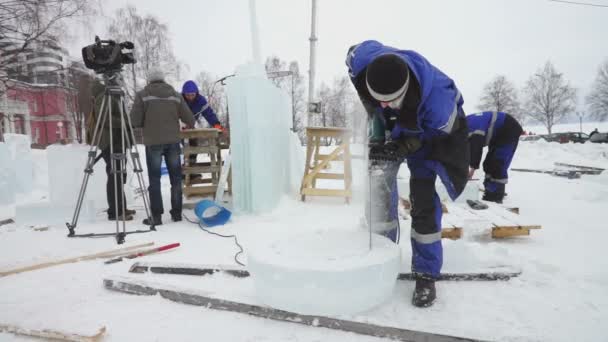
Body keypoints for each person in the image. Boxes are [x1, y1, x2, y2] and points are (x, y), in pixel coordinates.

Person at [346, 40, 469, 307]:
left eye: (392, 101)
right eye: (381, 101)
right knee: (377, 189)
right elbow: (355, 56)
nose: (386, 105)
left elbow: (434, 135)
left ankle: (426, 274)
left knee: (423, 199)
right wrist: (379, 140)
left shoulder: (439, 105)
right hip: (400, 126)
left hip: (431, 138)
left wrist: (401, 147)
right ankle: (378, 256)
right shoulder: (362, 63)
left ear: (405, 91)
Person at [130, 68, 195, 226]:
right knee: (175, 179)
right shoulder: (175, 95)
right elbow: (190, 119)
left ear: (150, 80)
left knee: (154, 179)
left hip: (153, 143)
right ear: (163, 79)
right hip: (173, 142)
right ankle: (177, 213)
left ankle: (157, 216)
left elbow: (134, 121)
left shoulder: (143, 95)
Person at [91, 80, 135, 221]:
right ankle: (115, 211)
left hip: (116, 140)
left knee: (118, 174)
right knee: (114, 175)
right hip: (111, 141)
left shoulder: (110, 96)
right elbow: (105, 119)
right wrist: (125, 121)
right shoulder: (103, 97)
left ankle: (121, 207)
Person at [467, 111, 523, 204]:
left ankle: (496, 196)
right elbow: (467, 151)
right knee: (488, 164)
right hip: (498, 133)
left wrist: (472, 169)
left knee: (498, 163)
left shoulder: (473, 129)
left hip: (508, 128)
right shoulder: (464, 127)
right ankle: (490, 190)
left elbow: (475, 150)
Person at [181, 80, 225, 168]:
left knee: (193, 144)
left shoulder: (200, 101)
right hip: (178, 125)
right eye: (188, 95)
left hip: (190, 126)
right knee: (182, 146)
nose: (190, 97)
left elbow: (208, 113)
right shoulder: (179, 100)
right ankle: (184, 170)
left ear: (196, 93)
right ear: (184, 94)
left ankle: (191, 168)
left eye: (192, 95)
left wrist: (216, 124)